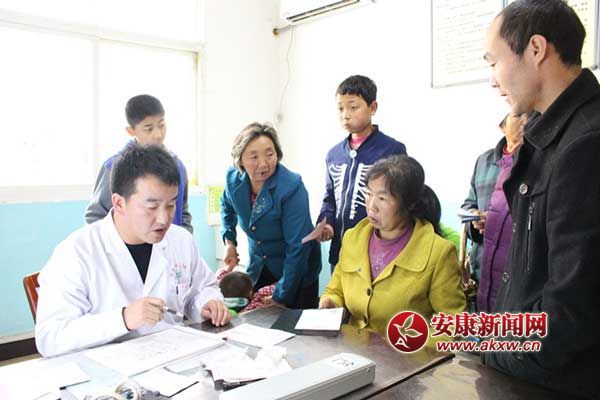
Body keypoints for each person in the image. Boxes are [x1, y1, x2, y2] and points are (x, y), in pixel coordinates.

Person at [482, 1, 600, 397]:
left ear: (535, 49)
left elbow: (570, 311)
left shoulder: (586, 143)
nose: (493, 80)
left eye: (494, 62)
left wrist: (495, 349)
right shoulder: (547, 134)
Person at [36, 145, 230, 358]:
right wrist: (123, 318)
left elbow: (203, 288)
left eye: (171, 205)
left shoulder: (181, 240)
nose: (163, 219)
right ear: (119, 203)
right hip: (107, 368)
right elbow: (50, 337)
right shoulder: (76, 252)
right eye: (151, 207)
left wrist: (206, 304)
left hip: (172, 359)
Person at [319, 155, 466, 335]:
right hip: (351, 348)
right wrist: (330, 302)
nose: (371, 206)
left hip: (408, 351)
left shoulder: (439, 252)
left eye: (382, 198)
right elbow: (335, 290)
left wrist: (411, 344)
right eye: (368, 194)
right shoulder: (353, 238)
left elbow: (453, 324)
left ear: (409, 204)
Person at [220, 122, 321, 309]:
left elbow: (298, 247)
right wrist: (230, 242)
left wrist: (282, 294)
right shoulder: (234, 180)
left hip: (296, 272)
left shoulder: (291, 187)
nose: (263, 164)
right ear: (240, 160)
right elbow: (226, 206)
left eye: (269, 154)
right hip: (259, 267)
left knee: (293, 324)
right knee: (256, 321)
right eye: (254, 157)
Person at [316, 75, 407, 270]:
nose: (345, 115)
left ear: (372, 107)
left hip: (378, 254)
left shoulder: (392, 150)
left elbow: (401, 201)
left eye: (353, 107)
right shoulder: (334, 155)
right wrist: (327, 223)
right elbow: (330, 198)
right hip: (341, 253)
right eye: (340, 108)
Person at [85, 94, 193, 233]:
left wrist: (185, 239)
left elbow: (183, 213)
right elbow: (95, 217)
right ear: (131, 131)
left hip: (170, 245)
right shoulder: (114, 167)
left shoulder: (177, 166)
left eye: (161, 125)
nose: (158, 134)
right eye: (148, 128)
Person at [461, 112, 531, 311]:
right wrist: (475, 219)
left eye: (531, 116)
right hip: (482, 267)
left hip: (517, 269)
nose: (526, 121)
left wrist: (501, 222)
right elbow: (468, 204)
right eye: (519, 115)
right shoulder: (484, 161)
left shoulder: (535, 161)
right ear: (502, 126)